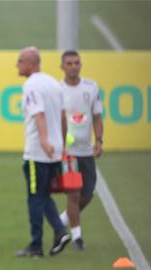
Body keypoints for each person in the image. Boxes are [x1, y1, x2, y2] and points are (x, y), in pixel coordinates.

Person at [14, 46, 71, 258]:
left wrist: (45, 141)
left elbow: (39, 115)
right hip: (55, 150)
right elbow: (64, 117)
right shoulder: (54, 84)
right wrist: (61, 145)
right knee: (44, 195)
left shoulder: (31, 85)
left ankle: (36, 246)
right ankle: (59, 232)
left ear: (31, 63)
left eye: (20, 61)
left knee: (35, 197)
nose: (17, 65)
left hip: (38, 151)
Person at [56, 49, 104, 251]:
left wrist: (99, 140)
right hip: (68, 152)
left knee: (87, 195)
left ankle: (60, 221)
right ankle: (77, 238)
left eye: (76, 63)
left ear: (81, 65)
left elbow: (97, 116)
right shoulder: (57, 90)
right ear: (62, 67)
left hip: (86, 151)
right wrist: (61, 147)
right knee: (73, 195)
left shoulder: (91, 87)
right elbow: (57, 120)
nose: (73, 66)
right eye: (69, 63)